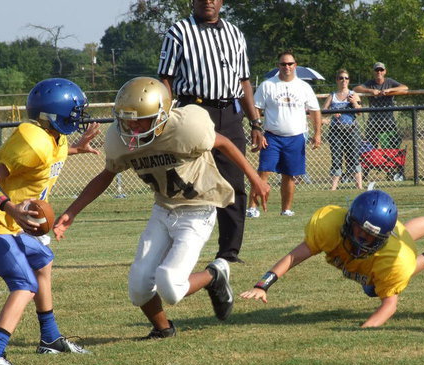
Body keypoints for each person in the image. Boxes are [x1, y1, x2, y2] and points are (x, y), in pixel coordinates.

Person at [54, 77, 270, 339]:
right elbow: (107, 174)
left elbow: (223, 142)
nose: (132, 127)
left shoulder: (186, 128)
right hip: (163, 209)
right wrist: (72, 212)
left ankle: (215, 274)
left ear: (161, 115)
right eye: (127, 120)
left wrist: (255, 178)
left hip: (197, 209)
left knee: (170, 286)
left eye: (140, 120)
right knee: (138, 287)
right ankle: (163, 329)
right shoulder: (121, 139)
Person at [0, 78, 98, 365]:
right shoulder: (34, 141)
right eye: (74, 112)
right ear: (54, 114)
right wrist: (11, 209)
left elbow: (48, 156)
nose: (79, 117)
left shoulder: (54, 137)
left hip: (6, 217)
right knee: (24, 283)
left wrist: (76, 148)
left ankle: (50, 339)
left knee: (43, 260)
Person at [240, 190, 424, 328]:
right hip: (392, 239)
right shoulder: (330, 225)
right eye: (360, 231)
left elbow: (389, 305)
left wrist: (366, 329)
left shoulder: (393, 258)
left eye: (371, 237)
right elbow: (294, 256)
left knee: (375, 288)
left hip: (394, 253)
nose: (362, 240)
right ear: (349, 220)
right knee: (404, 233)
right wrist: (262, 285)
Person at [158, 0, 265, 264]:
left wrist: (255, 122)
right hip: (193, 110)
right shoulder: (179, 32)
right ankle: (177, 247)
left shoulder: (234, 33)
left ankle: (229, 253)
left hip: (229, 113)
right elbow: (165, 79)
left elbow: (244, 81)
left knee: (233, 183)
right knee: (185, 182)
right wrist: (166, 117)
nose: (208, 1)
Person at [246, 51, 321, 218]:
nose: (287, 67)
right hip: (271, 137)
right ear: (278, 65)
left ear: (295, 65)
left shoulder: (303, 87)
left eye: (290, 64)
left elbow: (315, 110)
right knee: (263, 172)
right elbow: (256, 107)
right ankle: (252, 208)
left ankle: (286, 210)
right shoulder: (267, 85)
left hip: (296, 137)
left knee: (290, 175)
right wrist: (258, 130)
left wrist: (317, 134)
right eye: (283, 64)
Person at [353, 62, 408, 152]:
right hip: (373, 122)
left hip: (388, 122)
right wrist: (370, 91)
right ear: (373, 72)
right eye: (377, 70)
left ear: (385, 71)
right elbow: (355, 89)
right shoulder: (370, 83)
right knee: (369, 150)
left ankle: (389, 161)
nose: (379, 72)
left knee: (391, 151)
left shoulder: (389, 81)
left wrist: (390, 90)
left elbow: (405, 88)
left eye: (381, 70)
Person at [323, 69, 363, 190]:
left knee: (354, 157)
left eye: (346, 78)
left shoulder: (353, 94)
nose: (344, 80)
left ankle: (359, 185)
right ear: (337, 80)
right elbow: (323, 112)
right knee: (336, 158)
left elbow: (360, 112)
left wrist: (354, 103)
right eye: (341, 78)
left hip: (352, 130)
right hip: (336, 131)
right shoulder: (332, 96)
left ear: (349, 80)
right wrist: (332, 113)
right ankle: (334, 187)